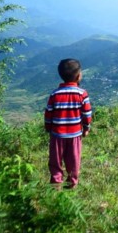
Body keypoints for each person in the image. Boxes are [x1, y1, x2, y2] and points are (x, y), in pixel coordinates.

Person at [44, 58, 93, 189]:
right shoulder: (82, 94)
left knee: (55, 161)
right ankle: (72, 183)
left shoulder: (54, 94)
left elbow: (48, 114)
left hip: (57, 135)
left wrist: (48, 128)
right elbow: (87, 114)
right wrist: (86, 128)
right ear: (78, 75)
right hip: (75, 135)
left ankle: (56, 183)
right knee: (74, 160)